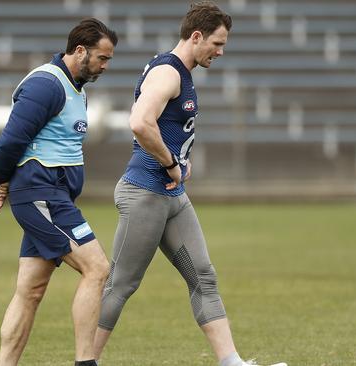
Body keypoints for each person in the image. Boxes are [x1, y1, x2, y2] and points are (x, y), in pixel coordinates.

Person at [92, 3, 286, 366]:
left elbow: (163, 127)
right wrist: (170, 162)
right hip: (145, 193)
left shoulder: (179, 70)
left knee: (204, 277)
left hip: (171, 195)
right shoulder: (169, 72)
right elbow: (139, 122)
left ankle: (232, 363)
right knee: (121, 284)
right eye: (216, 43)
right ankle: (86, 362)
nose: (220, 51)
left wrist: (179, 160)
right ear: (196, 36)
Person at [0, 18, 117, 366]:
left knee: (30, 290)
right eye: (102, 58)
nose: (105, 66)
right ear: (79, 51)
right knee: (98, 268)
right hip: (41, 196)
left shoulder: (77, 87)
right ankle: (86, 363)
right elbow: (11, 138)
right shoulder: (47, 84)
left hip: (53, 197)